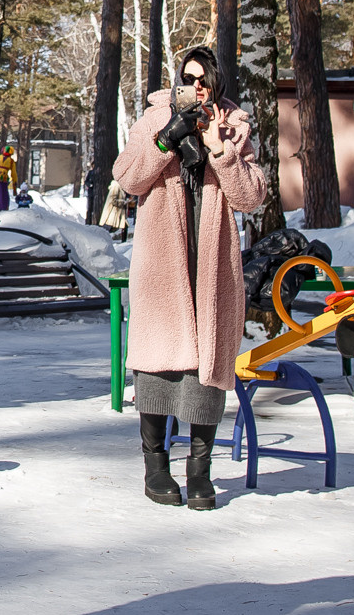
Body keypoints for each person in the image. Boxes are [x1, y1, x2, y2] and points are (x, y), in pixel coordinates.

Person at [113, 46, 268, 511]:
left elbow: (252, 197)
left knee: (207, 367)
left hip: (212, 260)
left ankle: (200, 471)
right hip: (164, 262)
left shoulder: (235, 127)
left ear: (217, 82)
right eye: (188, 76)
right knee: (158, 361)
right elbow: (128, 178)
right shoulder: (155, 118)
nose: (197, 85)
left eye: (204, 78)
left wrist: (222, 153)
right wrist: (166, 140)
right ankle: (155, 467)